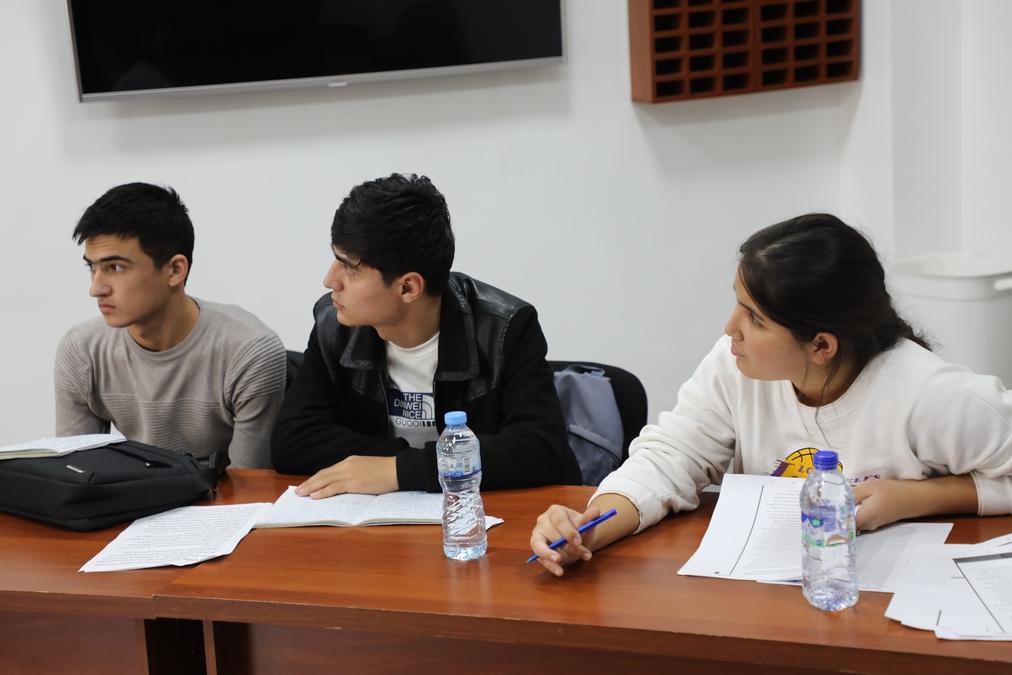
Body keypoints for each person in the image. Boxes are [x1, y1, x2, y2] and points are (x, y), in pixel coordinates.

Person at [530, 213, 1012, 576]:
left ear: (821, 346)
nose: (730, 328)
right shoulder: (733, 365)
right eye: (737, 304)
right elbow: (670, 457)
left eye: (755, 319)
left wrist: (919, 497)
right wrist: (588, 527)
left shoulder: (931, 395)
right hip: (772, 596)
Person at [271, 173, 581, 496]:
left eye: (349, 267)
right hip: (386, 516)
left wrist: (399, 470)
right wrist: (397, 460)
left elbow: (540, 448)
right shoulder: (333, 325)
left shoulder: (506, 328)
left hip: (486, 514)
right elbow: (292, 440)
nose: (329, 280)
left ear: (408, 287)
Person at [55, 182, 287, 469]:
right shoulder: (82, 351)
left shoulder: (249, 350)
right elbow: (76, 474)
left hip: (224, 496)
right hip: (135, 493)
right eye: (92, 267)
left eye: (115, 267)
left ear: (175, 270)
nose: (96, 288)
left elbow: (249, 485)